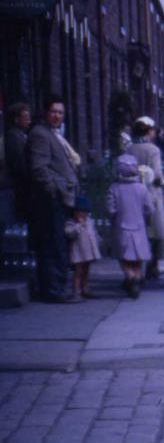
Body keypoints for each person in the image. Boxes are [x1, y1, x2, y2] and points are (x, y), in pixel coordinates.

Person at [27, 94, 79, 303]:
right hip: (50, 200)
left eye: (60, 112)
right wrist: (54, 191)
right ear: (46, 112)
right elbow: (39, 168)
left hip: (60, 198)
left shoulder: (52, 133)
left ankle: (55, 288)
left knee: (58, 243)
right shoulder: (40, 134)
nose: (57, 116)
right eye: (54, 111)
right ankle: (55, 290)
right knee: (53, 244)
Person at [126, 117, 164, 280]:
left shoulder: (129, 149)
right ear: (149, 131)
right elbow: (157, 174)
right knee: (157, 232)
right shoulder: (153, 150)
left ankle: (135, 268)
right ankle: (153, 265)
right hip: (150, 194)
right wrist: (162, 182)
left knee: (137, 232)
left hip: (132, 194)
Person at [106, 155, 153, 299]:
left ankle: (130, 276)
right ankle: (136, 277)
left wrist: (113, 219)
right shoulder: (142, 188)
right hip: (139, 227)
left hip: (121, 228)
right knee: (139, 258)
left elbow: (110, 210)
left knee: (123, 257)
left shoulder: (114, 188)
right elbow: (150, 209)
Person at [63, 196, 100, 301]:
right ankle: (76, 291)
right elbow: (69, 233)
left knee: (86, 271)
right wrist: (78, 225)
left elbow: (93, 233)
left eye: (85, 212)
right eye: (80, 212)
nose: (83, 215)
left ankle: (85, 288)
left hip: (88, 252)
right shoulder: (71, 222)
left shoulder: (89, 221)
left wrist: (97, 242)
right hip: (78, 252)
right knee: (78, 272)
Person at [3, 102, 31, 224]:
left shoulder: (21, 136)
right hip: (19, 188)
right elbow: (20, 163)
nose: (29, 121)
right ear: (16, 119)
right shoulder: (13, 137)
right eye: (26, 118)